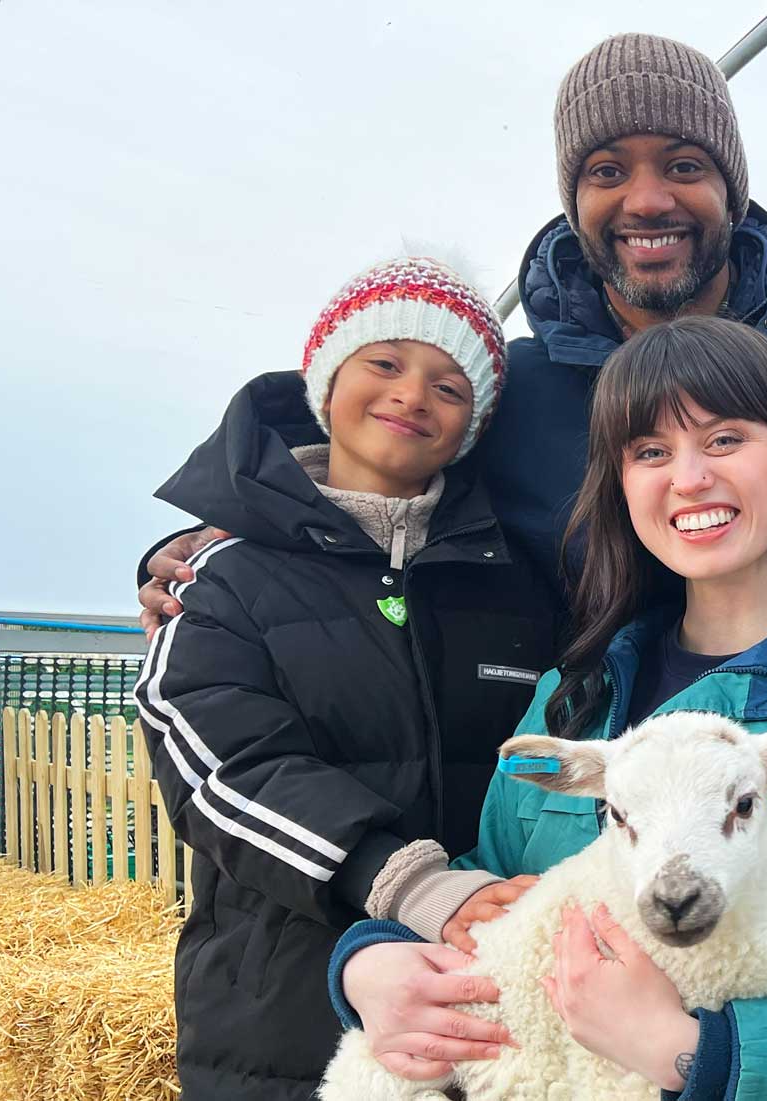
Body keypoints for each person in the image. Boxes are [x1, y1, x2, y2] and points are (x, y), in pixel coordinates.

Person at [331, 316, 767, 1097]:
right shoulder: (575, 698)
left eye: (725, 439)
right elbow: (494, 899)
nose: (688, 478)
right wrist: (373, 961)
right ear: (620, 483)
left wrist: (694, 1050)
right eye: (650, 451)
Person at [138, 32, 767, 631]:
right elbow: (368, 462)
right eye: (607, 170)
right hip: (581, 767)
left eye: (684, 165)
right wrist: (225, 531)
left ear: (730, 187)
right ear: (574, 201)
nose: (647, 199)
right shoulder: (515, 392)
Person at [131, 258, 555, 1100]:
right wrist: (409, 880)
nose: (413, 395)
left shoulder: (517, 588)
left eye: (450, 386)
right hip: (280, 1023)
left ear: (473, 429)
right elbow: (220, 766)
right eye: (385, 363)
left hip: (481, 1014)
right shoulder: (225, 577)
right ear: (327, 384)